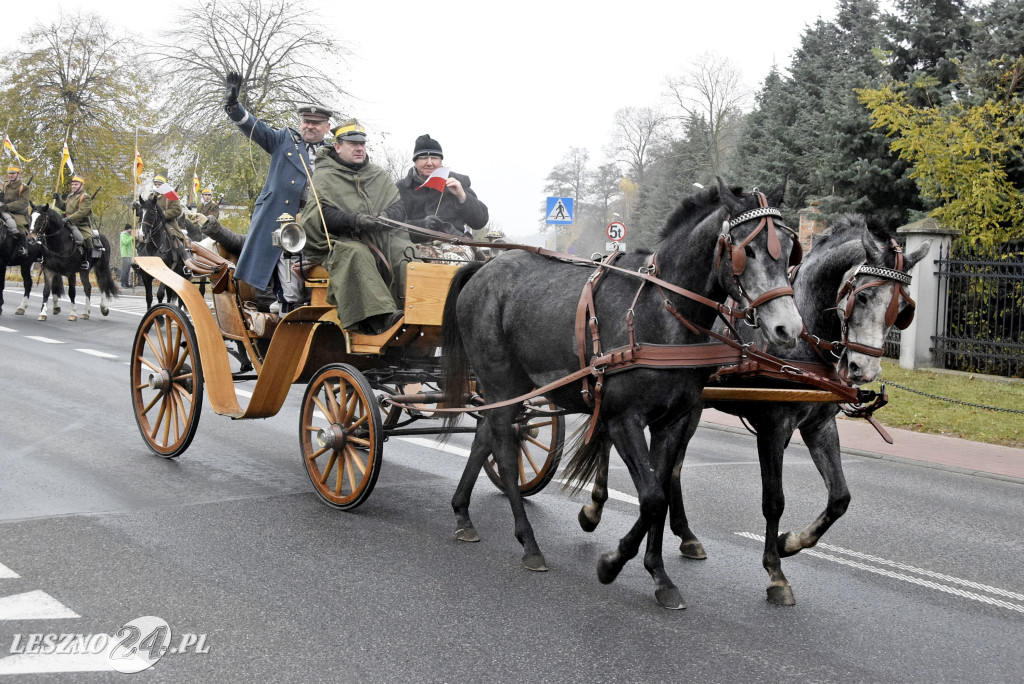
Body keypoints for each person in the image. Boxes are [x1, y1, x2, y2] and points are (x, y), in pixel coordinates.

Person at [223, 71, 332, 300]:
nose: (310, 126)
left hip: (318, 222)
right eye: (306, 122)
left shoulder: (333, 153)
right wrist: (234, 105)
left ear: (327, 127)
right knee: (284, 271)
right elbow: (254, 127)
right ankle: (283, 307)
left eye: (316, 123)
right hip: (281, 218)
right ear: (300, 123)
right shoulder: (283, 139)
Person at [300, 119, 410, 335]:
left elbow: (399, 206)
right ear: (338, 146)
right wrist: (356, 221)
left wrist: (385, 216)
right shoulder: (324, 176)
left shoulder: (377, 174)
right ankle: (380, 317)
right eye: (352, 144)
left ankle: (415, 310)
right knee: (356, 253)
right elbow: (321, 214)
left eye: (362, 144)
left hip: (381, 238)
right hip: (339, 242)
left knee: (405, 252)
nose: (359, 148)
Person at [397, 134, 489, 239]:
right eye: (424, 158)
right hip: (413, 247)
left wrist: (463, 197)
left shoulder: (457, 182)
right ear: (415, 161)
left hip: (456, 243)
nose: (429, 163)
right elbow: (394, 226)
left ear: (441, 161)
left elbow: (480, 222)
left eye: (435, 158)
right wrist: (422, 225)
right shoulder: (400, 188)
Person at [54, 175, 93, 269]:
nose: (73, 186)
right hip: (65, 221)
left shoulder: (85, 197)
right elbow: (64, 207)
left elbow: (82, 212)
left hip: (80, 224)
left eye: (76, 184)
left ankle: (86, 260)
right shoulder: (70, 196)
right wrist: (58, 199)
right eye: (73, 184)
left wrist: (69, 218)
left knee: (87, 239)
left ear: (82, 185)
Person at [0, 165, 32, 259]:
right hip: (3, 211)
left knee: (19, 228)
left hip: (18, 213)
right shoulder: (5, 185)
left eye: (13, 173)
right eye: (9, 173)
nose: (11, 175)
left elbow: (23, 203)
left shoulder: (24, 188)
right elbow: (2, 198)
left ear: (19, 174)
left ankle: (24, 248)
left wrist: (7, 207)